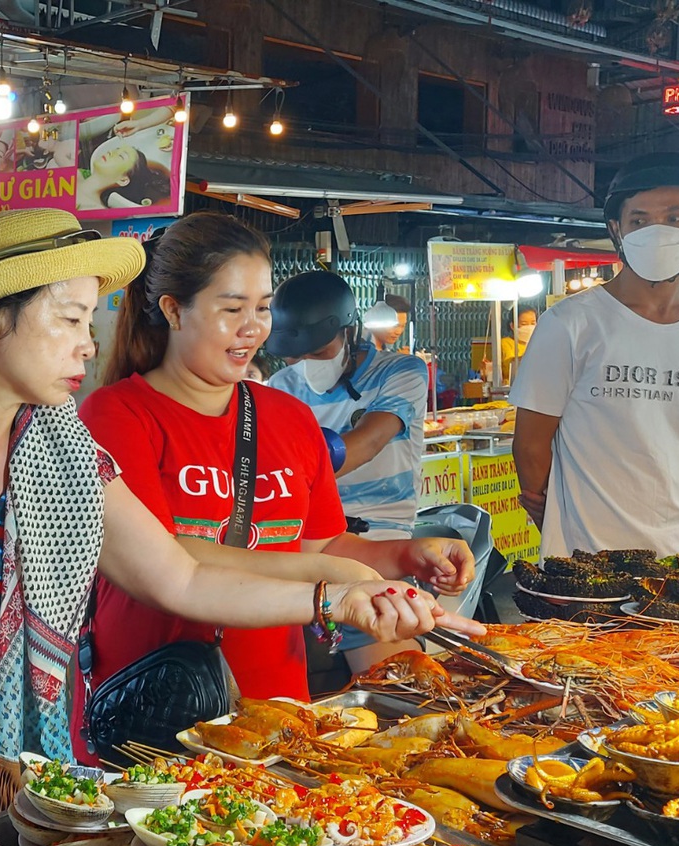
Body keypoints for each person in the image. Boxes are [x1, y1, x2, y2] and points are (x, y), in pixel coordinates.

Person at [0, 208, 479, 846]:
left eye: (91, 320)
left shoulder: (68, 455)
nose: (87, 343)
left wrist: (336, 599)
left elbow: (182, 577)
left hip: (23, 783)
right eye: (69, 318)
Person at [71, 214, 474, 763]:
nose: (252, 329)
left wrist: (405, 554)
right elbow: (169, 560)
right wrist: (336, 586)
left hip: (277, 703)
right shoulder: (117, 415)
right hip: (159, 702)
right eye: (231, 309)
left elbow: (319, 546)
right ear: (172, 310)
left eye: (262, 309)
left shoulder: (289, 417)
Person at [511, 153, 679, 560]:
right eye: (639, 220)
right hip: (593, 550)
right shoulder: (568, 323)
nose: (657, 233)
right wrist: (557, 514)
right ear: (617, 229)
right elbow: (530, 445)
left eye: (675, 218)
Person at [267, 271, 431, 671]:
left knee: (398, 690)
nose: (306, 364)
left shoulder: (401, 372)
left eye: (318, 352)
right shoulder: (278, 385)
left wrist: (298, 468)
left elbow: (371, 440)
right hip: (303, 549)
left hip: (377, 545)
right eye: (296, 354)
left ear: (349, 330)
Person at [470, 305, 538, 380]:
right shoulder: (503, 344)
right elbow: (498, 371)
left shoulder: (540, 343)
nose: (529, 327)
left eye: (533, 323)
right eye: (524, 324)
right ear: (512, 326)